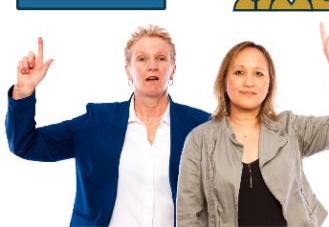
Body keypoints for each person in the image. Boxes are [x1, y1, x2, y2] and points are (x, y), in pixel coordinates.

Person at [6, 25, 210, 227]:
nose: (152, 66)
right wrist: (23, 92)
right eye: (141, 59)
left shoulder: (201, 126)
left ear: (173, 70)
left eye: (161, 58)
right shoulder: (96, 123)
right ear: (128, 71)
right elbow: (25, 144)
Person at [176, 22, 329, 227]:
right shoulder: (200, 139)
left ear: (269, 84)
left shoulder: (290, 128)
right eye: (239, 72)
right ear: (224, 80)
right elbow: (188, 217)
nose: (249, 82)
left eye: (259, 74)